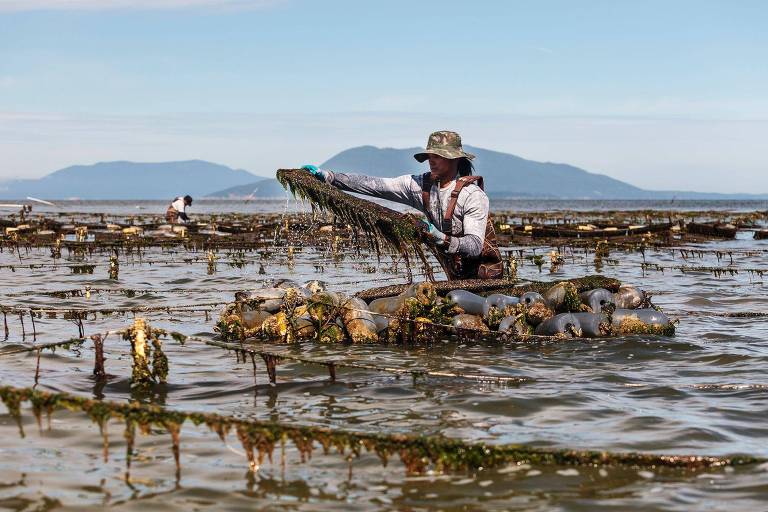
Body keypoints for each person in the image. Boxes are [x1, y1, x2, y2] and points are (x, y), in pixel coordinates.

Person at [302, 130, 503, 280]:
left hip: (485, 278)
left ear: (455, 159)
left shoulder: (473, 195)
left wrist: (440, 238)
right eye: (430, 157)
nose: (432, 162)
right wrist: (329, 177)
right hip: (455, 277)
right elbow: (374, 184)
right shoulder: (419, 186)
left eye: (438, 157)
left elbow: (475, 246)